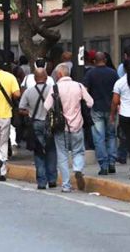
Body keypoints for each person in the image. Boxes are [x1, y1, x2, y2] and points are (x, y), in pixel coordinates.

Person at [44, 64, 94, 192]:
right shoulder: (78, 86)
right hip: (77, 125)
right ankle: (78, 169)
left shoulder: (55, 88)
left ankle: (66, 185)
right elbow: (90, 102)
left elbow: (46, 106)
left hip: (60, 127)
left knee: (62, 155)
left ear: (59, 74)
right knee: (78, 151)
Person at [18, 68, 57, 189]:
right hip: (49, 123)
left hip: (35, 124)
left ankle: (41, 181)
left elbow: (21, 109)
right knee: (51, 150)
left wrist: (30, 112)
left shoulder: (28, 92)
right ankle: (52, 179)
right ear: (46, 78)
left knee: (39, 152)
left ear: (35, 79)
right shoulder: (52, 91)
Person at [84, 52, 119, 175]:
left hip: (96, 108)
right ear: (105, 59)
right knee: (111, 135)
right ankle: (112, 162)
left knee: (99, 138)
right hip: (111, 109)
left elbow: (86, 91)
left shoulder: (90, 74)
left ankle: (103, 165)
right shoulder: (113, 73)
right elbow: (117, 92)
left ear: (94, 61)